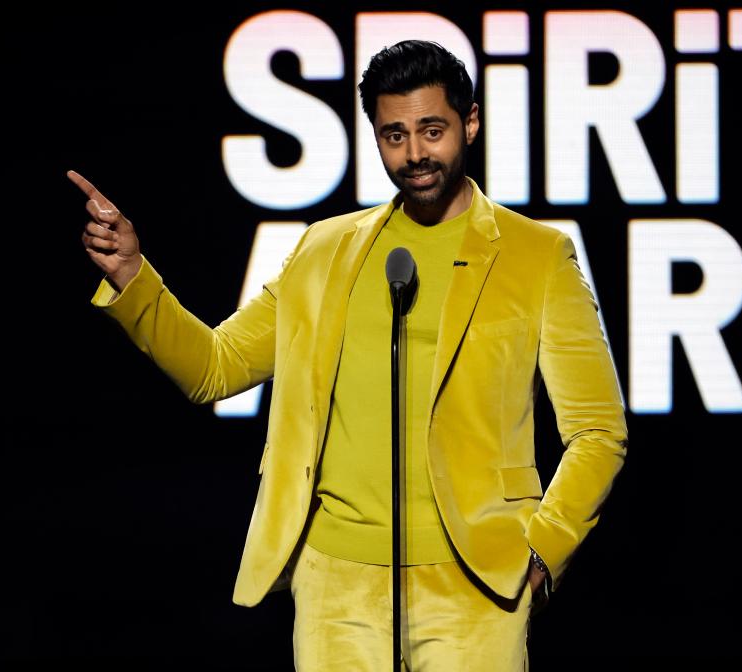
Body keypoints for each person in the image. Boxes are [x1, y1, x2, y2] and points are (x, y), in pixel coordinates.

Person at [70, 39, 627, 671]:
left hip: (475, 584)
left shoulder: (538, 256)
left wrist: (542, 552)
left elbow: (598, 429)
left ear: (470, 122)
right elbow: (215, 368)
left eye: (432, 130)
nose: (415, 154)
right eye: (394, 135)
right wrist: (133, 277)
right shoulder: (325, 251)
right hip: (337, 586)